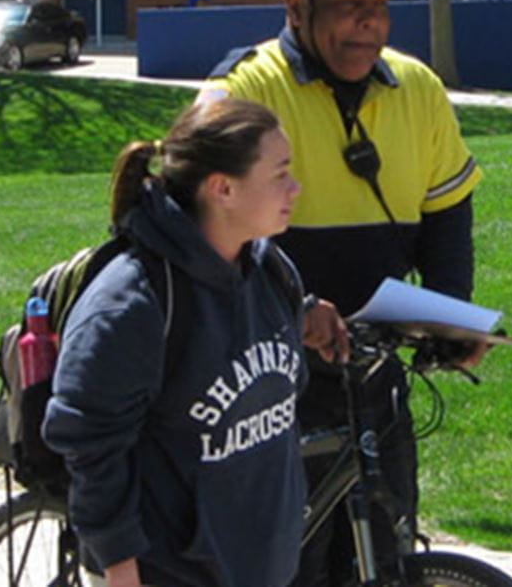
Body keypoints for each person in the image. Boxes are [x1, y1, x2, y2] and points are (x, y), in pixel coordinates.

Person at [198, 0, 487, 585]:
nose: (369, 26)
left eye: (380, 9)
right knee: (285, 561)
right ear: (295, 6)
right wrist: (293, 306)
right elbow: (198, 230)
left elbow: (447, 214)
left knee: (384, 550)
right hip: (267, 376)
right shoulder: (246, 91)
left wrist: (451, 317)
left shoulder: (417, 89)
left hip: (372, 369)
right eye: (351, 7)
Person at [43, 98, 350, 587]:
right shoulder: (132, 303)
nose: (296, 188)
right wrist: (119, 564)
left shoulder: (271, 272)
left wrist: (309, 319)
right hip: (168, 573)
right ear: (223, 189)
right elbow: (89, 441)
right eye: (280, 174)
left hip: (259, 565)